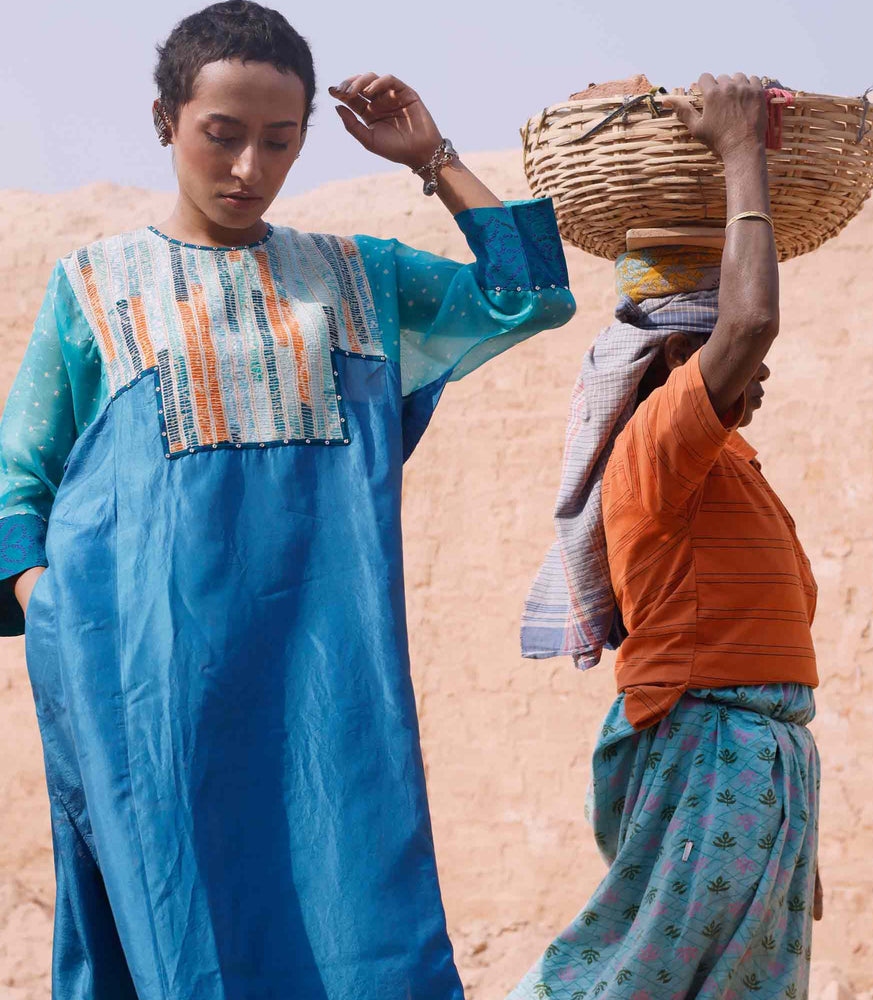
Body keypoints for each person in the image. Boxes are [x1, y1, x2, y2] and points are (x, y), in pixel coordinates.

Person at [0, 3, 575, 997]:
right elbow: (20, 479)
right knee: (174, 935)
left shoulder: (354, 278)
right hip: (146, 678)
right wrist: (53, 614)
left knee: (361, 917)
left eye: (279, 140)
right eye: (221, 135)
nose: (248, 169)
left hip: (327, 677)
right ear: (164, 120)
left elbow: (528, 297)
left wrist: (432, 157)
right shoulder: (96, 285)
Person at [515, 74, 821, 999]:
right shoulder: (658, 438)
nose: (753, 373)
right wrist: (740, 156)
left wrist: (790, 832)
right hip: (712, 753)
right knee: (640, 980)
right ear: (675, 357)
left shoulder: (726, 459)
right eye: (723, 354)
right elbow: (753, 318)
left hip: (760, 763)